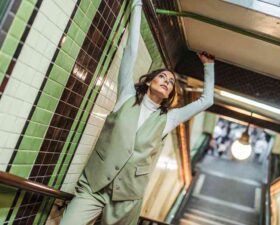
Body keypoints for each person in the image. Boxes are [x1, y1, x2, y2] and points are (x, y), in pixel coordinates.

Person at [59, 0, 215, 224]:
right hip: (94, 187)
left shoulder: (168, 119)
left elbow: (206, 100)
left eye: (170, 82)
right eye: (162, 76)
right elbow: (130, 53)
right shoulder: (126, 97)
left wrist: (208, 66)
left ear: (170, 93)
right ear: (150, 80)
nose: (166, 81)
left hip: (127, 200)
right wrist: (137, 6)